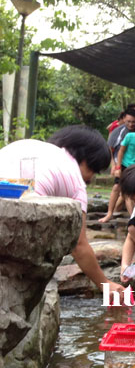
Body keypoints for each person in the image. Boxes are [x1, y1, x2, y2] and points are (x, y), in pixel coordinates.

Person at [0, 126, 123, 295]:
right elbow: (79, 245)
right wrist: (105, 284)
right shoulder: (75, 182)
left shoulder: (33, 147)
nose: (90, 178)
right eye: (93, 171)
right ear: (86, 159)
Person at [99, 108, 135, 223]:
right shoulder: (118, 131)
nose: (131, 124)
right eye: (128, 121)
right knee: (117, 188)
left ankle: (133, 216)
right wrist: (114, 166)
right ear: (123, 120)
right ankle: (110, 213)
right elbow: (110, 149)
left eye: (133, 122)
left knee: (129, 192)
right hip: (121, 164)